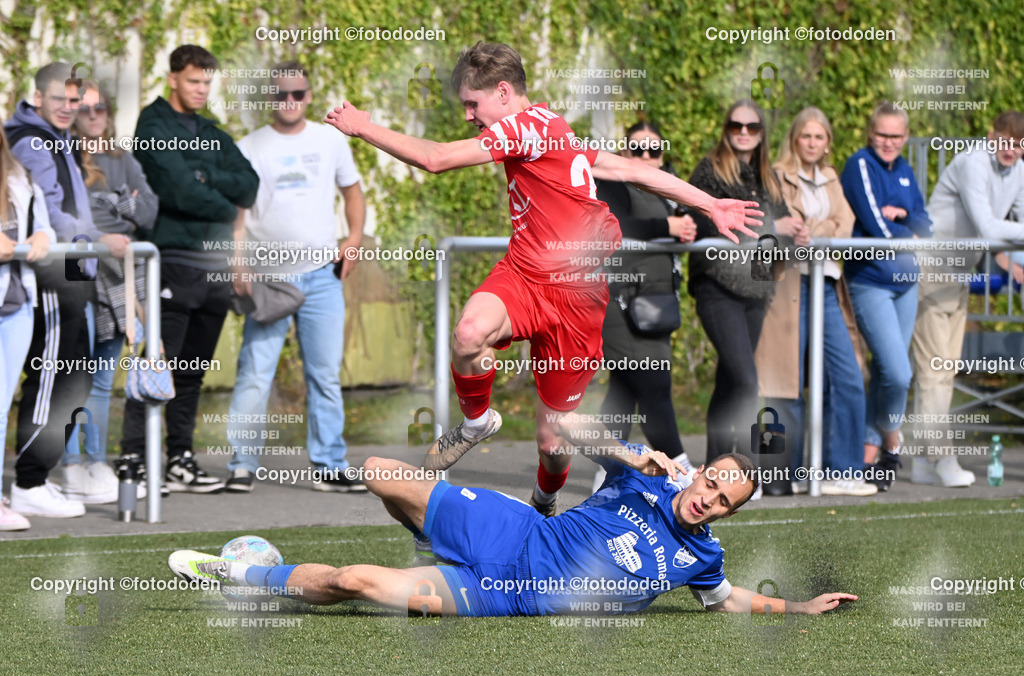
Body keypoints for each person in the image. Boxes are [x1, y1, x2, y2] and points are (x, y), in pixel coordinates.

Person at [323, 42, 761, 516]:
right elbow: (628, 168)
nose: (469, 115)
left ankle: (545, 500)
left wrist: (362, 126)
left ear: (504, 92)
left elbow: (436, 158)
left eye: (473, 103)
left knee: (554, 438)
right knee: (469, 333)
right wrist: (709, 202)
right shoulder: (551, 125)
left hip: (576, 299)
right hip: (526, 273)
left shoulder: (525, 128)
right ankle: (476, 423)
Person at [170, 441, 857, 617]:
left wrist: (797, 604)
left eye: (722, 500)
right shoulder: (643, 479)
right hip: (512, 530)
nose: (707, 498)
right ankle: (427, 532)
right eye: (710, 481)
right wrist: (625, 449)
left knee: (355, 581)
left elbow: (730, 597)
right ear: (700, 471)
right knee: (380, 470)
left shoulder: (700, 558)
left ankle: (243, 576)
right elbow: (564, 428)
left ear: (728, 514)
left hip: (501, 593)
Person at [119, 45, 259, 493]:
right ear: (174, 77)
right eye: (194, 81)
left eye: (206, 82)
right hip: (170, 262)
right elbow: (177, 191)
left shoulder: (212, 134)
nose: (201, 89)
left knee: (192, 370)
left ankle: (179, 458)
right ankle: (134, 461)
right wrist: (218, 201)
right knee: (156, 363)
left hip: (213, 268)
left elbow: (250, 185)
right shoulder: (152, 124)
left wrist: (205, 178)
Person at [223, 60, 367, 494]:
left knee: (323, 374)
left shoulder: (330, 140)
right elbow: (238, 215)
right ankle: (242, 465)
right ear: (271, 96)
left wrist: (355, 237)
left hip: (323, 276)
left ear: (308, 95)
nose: (290, 101)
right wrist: (238, 261)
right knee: (254, 372)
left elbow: (353, 193)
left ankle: (330, 464)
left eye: (298, 94)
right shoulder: (248, 147)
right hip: (268, 279)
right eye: (282, 94)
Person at [4, 62, 127, 519]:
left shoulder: (58, 138)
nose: (70, 109)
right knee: (56, 375)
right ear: (37, 97)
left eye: (76, 102)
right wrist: (93, 241)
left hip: (71, 268)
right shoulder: (31, 139)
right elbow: (52, 210)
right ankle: (30, 481)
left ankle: (37, 478)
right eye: (61, 99)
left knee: (72, 377)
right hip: (53, 272)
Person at [756, 107, 876, 496]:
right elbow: (790, 223)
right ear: (795, 139)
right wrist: (818, 230)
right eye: (806, 136)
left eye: (819, 137)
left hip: (826, 285)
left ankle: (842, 470)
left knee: (849, 376)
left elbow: (844, 224)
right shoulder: (777, 174)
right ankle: (783, 473)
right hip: (791, 286)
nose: (812, 143)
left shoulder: (832, 178)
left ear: (827, 142)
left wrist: (818, 231)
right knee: (788, 382)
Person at [911, 111, 1024, 487]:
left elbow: (1017, 227)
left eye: (1020, 144)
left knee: (945, 370)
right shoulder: (971, 161)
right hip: (929, 267)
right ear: (992, 136)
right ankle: (939, 457)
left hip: (959, 275)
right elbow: (988, 226)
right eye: (1006, 140)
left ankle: (924, 461)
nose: (1012, 150)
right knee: (933, 372)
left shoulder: (1019, 170)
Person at [60, 80, 159, 503]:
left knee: (103, 378)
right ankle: (69, 468)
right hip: (76, 271)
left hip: (122, 275)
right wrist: (115, 213)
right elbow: (68, 216)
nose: (95, 116)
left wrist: (111, 206)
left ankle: (94, 462)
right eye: (85, 109)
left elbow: (150, 211)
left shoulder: (122, 157)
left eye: (101, 108)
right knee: (73, 376)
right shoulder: (61, 156)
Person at [687, 100, 793, 472]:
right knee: (747, 382)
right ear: (726, 129)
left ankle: (714, 468)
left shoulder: (768, 176)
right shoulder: (710, 171)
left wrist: (794, 232)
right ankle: (736, 468)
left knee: (731, 381)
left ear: (762, 133)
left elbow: (784, 228)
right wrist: (774, 228)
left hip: (756, 291)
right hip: (717, 287)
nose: (744, 133)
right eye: (736, 126)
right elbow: (703, 225)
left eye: (752, 127)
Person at [594, 121, 696, 491]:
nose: (646, 158)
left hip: (654, 304)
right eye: (637, 150)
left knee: (623, 390)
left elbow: (691, 220)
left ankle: (608, 473)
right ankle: (681, 469)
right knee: (654, 383)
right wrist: (667, 225)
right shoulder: (613, 181)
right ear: (625, 154)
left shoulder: (668, 187)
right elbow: (618, 224)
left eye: (654, 151)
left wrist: (687, 226)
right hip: (620, 301)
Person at [841, 102, 932, 491]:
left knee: (885, 372)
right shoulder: (859, 164)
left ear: (905, 137)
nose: (889, 142)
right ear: (870, 133)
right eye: (882, 134)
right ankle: (893, 441)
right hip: (871, 280)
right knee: (899, 371)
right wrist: (901, 229)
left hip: (906, 282)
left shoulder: (908, 171)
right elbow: (874, 224)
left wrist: (902, 218)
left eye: (896, 136)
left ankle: (869, 458)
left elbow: (925, 224)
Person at [0, 131, 54, 531]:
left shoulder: (20, 176)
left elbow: (47, 229)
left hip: (16, 305)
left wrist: (40, 237)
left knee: (1, 403)